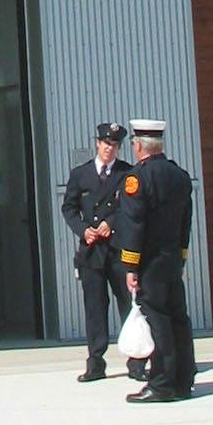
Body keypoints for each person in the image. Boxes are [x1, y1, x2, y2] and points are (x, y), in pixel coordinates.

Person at [114, 118, 197, 403]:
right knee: (178, 318)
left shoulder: (137, 179)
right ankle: (183, 381)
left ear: (138, 146)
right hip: (173, 257)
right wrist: (182, 255)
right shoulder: (179, 175)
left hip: (149, 262)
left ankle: (161, 383)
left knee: (157, 320)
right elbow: (186, 221)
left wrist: (130, 266)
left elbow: (134, 225)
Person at [60, 122, 143, 382]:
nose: (110, 149)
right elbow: (69, 208)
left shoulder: (127, 173)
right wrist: (84, 229)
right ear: (98, 143)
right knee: (95, 307)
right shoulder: (80, 174)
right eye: (106, 144)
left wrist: (111, 223)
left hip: (118, 250)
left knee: (128, 305)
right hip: (92, 250)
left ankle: (137, 360)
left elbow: (131, 207)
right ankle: (96, 362)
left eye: (115, 145)